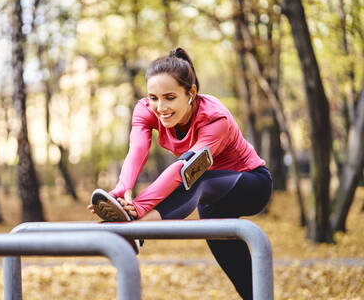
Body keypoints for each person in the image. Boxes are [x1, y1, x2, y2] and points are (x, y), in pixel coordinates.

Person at [88, 47, 273, 300]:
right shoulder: (146, 110)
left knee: (199, 178)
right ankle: (133, 227)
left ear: (191, 93)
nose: (160, 107)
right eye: (153, 97)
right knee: (245, 281)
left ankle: (135, 229)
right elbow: (138, 149)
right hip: (212, 202)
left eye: (169, 98)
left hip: (251, 183)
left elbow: (184, 170)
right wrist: (123, 188)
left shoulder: (213, 118)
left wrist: (139, 208)